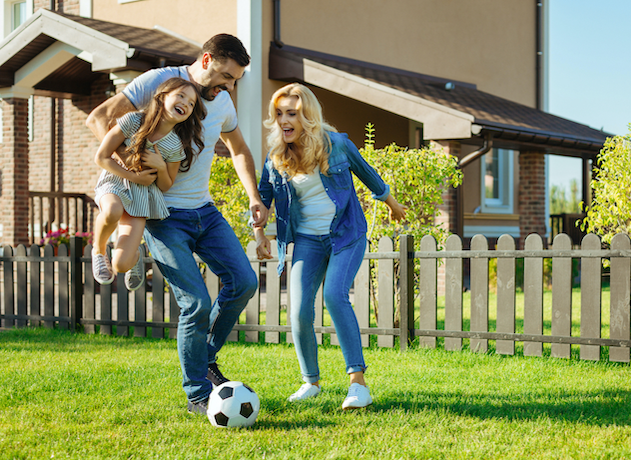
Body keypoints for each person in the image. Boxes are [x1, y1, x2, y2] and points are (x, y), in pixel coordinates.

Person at [86, 34, 269, 415]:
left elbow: (238, 150)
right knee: (196, 303)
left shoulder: (221, 101)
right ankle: (198, 394)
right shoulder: (158, 82)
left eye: (235, 80)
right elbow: (100, 118)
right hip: (162, 215)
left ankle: (204, 359)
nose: (230, 87)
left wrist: (254, 196)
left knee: (245, 283)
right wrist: (134, 164)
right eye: (225, 76)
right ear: (206, 60)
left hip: (205, 211)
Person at [253, 83, 406, 410]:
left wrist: (393, 204)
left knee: (336, 295)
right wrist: (259, 233)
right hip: (308, 240)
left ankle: (358, 384)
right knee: (298, 310)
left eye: (291, 113)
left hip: (345, 233)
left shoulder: (336, 145)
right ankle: (311, 382)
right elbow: (263, 198)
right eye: (278, 114)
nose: (283, 120)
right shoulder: (277, 156)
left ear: (307, 115)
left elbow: (368, 174)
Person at [91, 78, 206, 291]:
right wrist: (133, 176)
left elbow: (165, 185)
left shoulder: (175, 146)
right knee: (112, 210)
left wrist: (161, 167)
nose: (186, 104)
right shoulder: (133, 121)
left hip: (142, 196)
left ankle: (134, 256)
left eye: (191, 103)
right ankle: (98, 251)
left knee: (120, 264)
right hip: (116, 181)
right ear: (162, 97)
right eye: (181, 95)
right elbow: (102, 157)